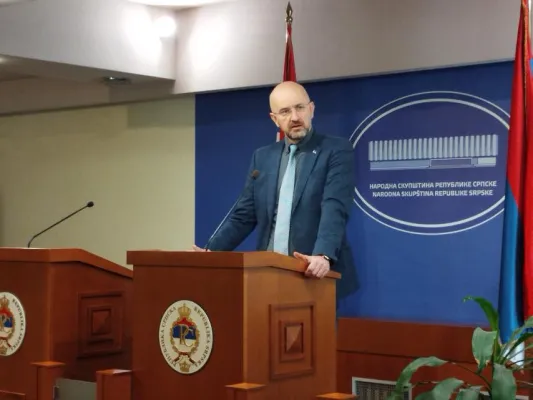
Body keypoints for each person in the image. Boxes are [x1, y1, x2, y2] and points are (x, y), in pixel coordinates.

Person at [193, 81, 358, 303]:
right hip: (267, 275)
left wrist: (323, 255)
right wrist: (211, 253)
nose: (295, 117)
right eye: (285, 111)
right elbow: (244, 215)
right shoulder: (263, 157)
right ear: (275, 119)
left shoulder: (335, 150)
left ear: (311, 109)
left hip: (313, 273)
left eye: (300, 108)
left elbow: (334, 206)